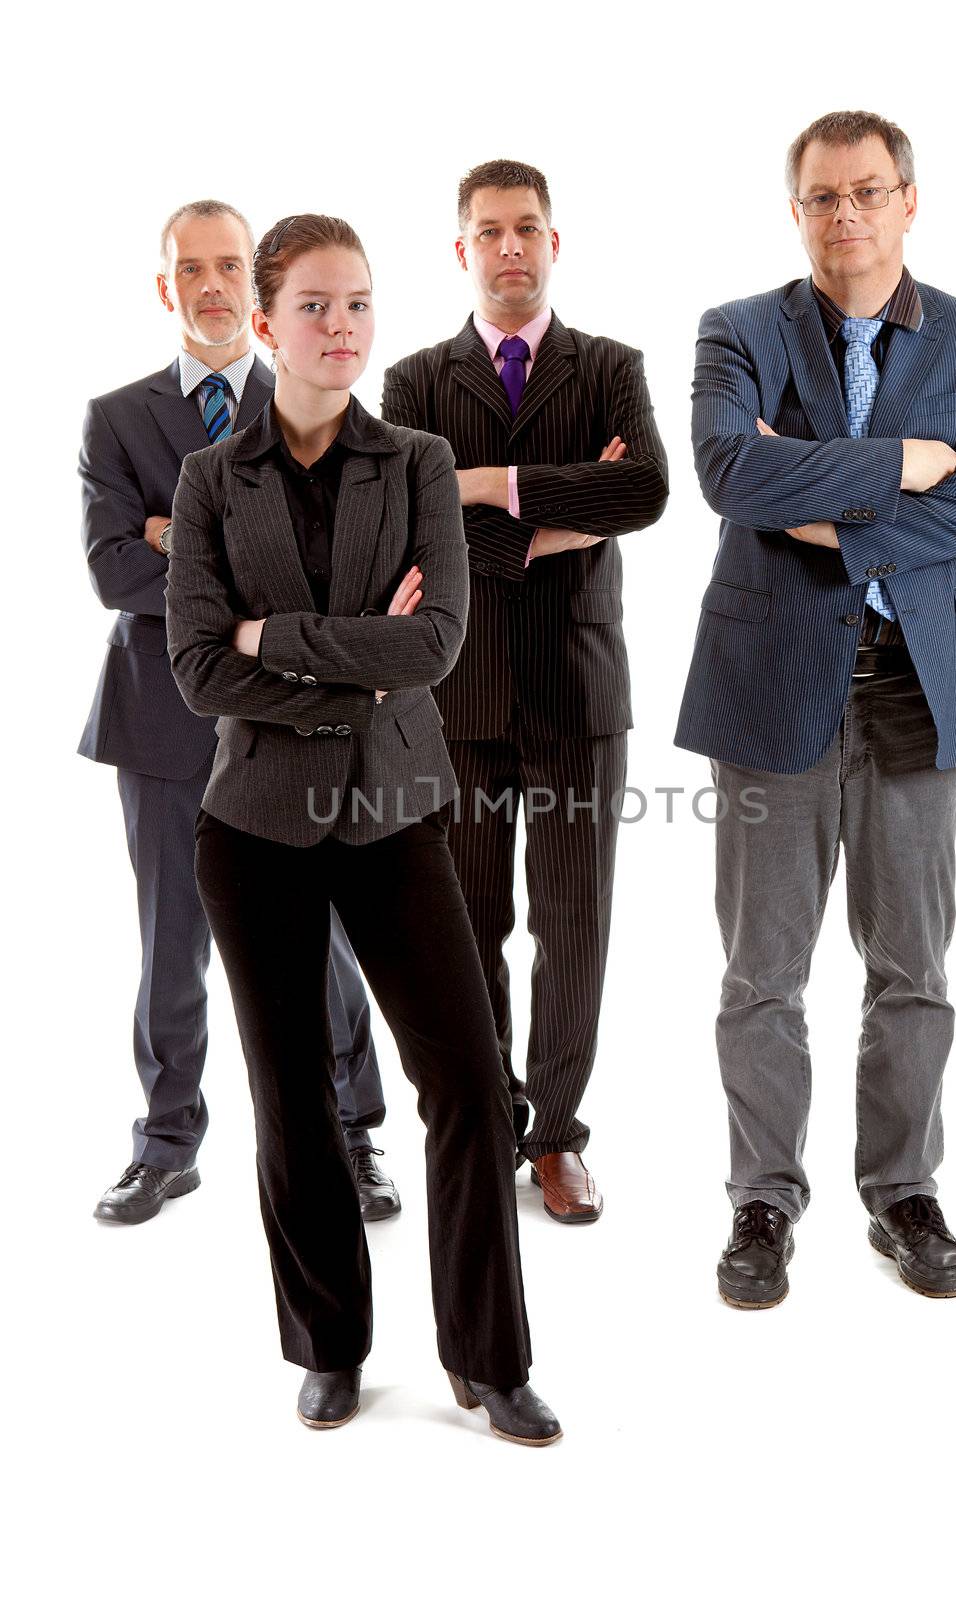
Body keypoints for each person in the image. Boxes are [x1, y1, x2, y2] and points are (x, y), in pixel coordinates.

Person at [166, 212, 560, 1444]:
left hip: (396, 815)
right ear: (267, 321)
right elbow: (192, 668)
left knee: (471, 1091)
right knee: (293, 1102)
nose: (341, 328)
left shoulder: (423, 463)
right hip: (257, 830)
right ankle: (329, 1344)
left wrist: (269, 636)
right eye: (316, 307)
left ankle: (487, 1361)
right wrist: (354, 659)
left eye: (358, 305)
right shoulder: (209, 479)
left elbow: (432, 644)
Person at [674, 110, 956, 1306]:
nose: (845, 216)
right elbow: (728, 474)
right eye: (822, 197)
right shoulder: (737, 332)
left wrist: (814, 502)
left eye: (866, 192)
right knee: (760, 972)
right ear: (797, 211)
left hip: (916, 687)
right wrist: (899, 464)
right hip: (772, 684)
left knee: (912, 964)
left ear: (907, 200)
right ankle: (761, 1202)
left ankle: (902, 1193)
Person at [79, 200, 399, 1226]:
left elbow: (334, 575)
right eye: (192, 268)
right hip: (162, 722)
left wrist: (185, 537)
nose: (211, 284)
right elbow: (113, 570)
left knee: (323, 942)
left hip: (286, 716)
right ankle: (167, 1141)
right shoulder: (118, 418)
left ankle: (355, 1134)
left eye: (230, 266)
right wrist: (231, 563)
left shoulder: (310, 400)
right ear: (164, 286)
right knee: (173, 941)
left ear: (258, 298)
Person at [382, 159, 668, 1223]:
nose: (510, 247)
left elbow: (641, 489)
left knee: (573, 923)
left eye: (527, 230)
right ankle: (489, 1121)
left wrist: (491, 488)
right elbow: (409, 512)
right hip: (453, 697)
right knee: (466, 926)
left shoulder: (608, 367)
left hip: (577, 695)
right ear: (462, 250)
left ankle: (555, 1138)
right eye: (490, 231)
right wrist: (563, 521)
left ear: (555, 245)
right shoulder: (413, 382)